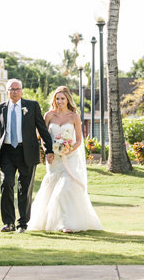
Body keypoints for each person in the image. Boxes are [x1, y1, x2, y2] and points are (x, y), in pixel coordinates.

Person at [28, 85, 102, 233]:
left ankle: (66, 223)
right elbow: (43, 137)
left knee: (64, 189)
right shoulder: (49, 115)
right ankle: (49, 222)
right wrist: (47, 151)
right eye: (57, 98)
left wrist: (68, 150)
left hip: (70, 157)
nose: (60, 101)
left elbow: (79, 140)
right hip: (54, 159)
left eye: (62, 98)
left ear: (68, 99)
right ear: (54, 100)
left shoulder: (74, 117)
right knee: (52, 188)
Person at [0, 78, 54, 233]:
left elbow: (42, 130)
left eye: (17, 89)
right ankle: (8, 223)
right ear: (7, 92)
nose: (14, 92)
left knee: (25, 188)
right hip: (7, 152)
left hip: (27, 152)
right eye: (11, 89)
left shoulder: (32, 106)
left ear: (21, 91)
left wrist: (49, 150)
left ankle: (22, 223)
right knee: (6, 184)